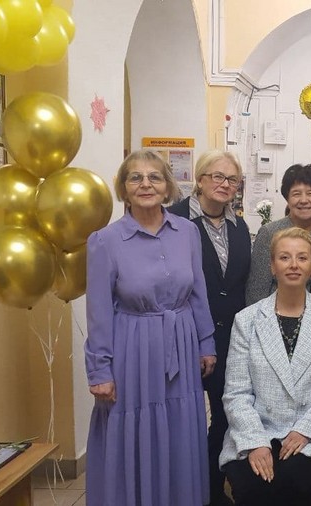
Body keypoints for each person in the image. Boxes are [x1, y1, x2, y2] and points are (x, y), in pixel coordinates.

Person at [85, 150, 216, 506]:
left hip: (182, 344)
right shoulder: (105, 241)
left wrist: (206, 342)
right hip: (133, 350)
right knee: (135, 429)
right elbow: (98, 311)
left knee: (178, 428)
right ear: (124, 188)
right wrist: (100, 370)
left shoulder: (188, 232)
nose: (146, 184)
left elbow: (198, 291)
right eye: (136, 178)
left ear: (168, 186)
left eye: (154, 177)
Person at [220, 227, 311, 506]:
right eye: (285, 258)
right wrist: (255, 442)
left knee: (296, 480)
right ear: (272, 266)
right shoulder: (247, 319)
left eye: (302, 258)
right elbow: (236, 392)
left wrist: (305, 430)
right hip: (256, 428)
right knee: (252, 483)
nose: (293, 265)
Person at [168, 149, 251, 506]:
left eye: (232, 179)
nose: (224, 184)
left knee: (224, 416)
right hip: (182, 335)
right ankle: (177, 491)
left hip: (229, 338)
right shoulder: (172, 220)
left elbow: (238, 283)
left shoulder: (239, 226)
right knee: (180, 418)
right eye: (217, 176)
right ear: (200, 179)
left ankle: (212, 491)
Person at [246, 164, 311, 305]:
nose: (304, 200)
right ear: (287, 199)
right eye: (296, 194)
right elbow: (257, 289)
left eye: (310, 193)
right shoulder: (270, 232)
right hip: (275, 311)